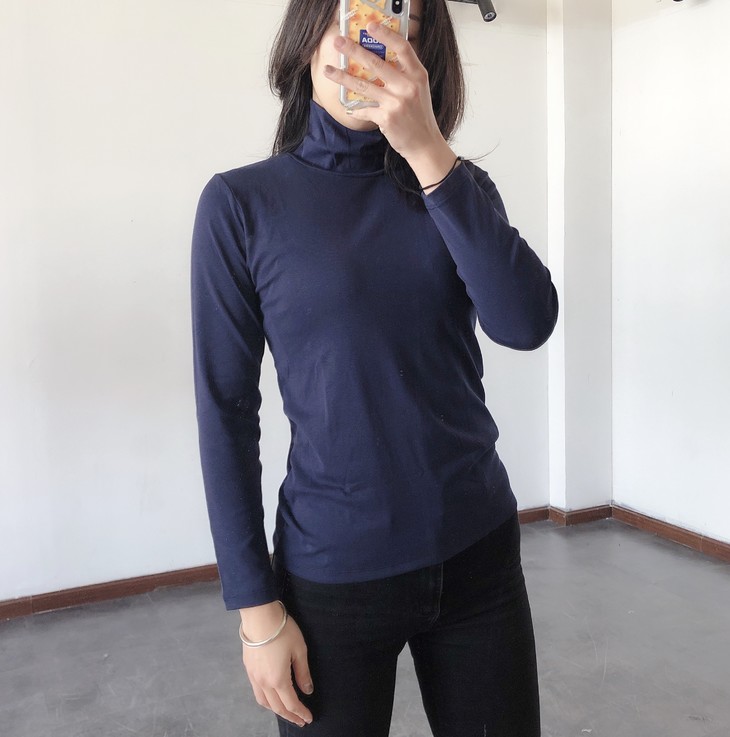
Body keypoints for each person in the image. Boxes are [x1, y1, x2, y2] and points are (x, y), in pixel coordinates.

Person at [190, 0, 558, 734]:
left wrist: (427, 151)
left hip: (478, 551)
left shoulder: (455, 188)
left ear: (423, 55)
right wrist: (256, 611)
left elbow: (526, 324)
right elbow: (225, 412)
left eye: (391, 22)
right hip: (333, 575)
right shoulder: (240, 206)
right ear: (306, 39)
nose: (359, 42)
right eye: (344, 13)